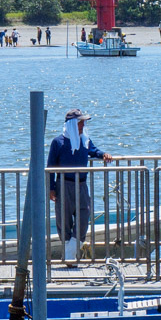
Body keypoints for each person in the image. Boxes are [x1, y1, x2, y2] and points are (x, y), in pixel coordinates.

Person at [46, 109, 112, 266]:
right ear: (71, 124)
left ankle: (70, 253)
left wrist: (104, 154)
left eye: (83, 122)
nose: (83, 125)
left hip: (81, 184)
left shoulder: (85, 140)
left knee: (84, 216)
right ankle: (71, 255)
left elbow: (94, 151)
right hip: (64, 184)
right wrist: (51, 188)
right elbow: (50, 166)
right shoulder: (58, 142)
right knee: (64, 220)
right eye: (80, 122)